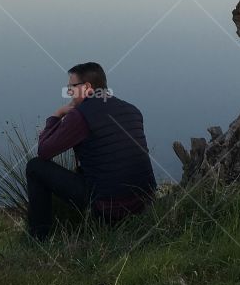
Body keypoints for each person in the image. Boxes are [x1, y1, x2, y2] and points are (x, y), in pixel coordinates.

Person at [25, 61, 156, 242]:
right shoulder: (132, 110)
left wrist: (57, 115)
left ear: (87, 87)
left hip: (109, 209)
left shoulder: (80, 115)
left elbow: (44, 151)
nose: (69, 91)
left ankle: (39, 238)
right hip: (144, 204)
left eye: (72, 86)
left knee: (35, 167)